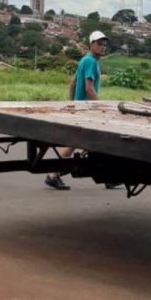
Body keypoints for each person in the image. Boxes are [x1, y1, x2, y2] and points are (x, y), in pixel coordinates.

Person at [45, 30, 109, 191]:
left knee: (81, 143)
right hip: (87, 109)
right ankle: (53, 174)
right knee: (80, 142)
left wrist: (72, 103)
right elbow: (89, 88)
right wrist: (101, 106)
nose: (102, 48)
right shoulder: (91, 62)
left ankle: (108, 177)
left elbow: (72, 83)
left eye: (104, 45)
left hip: (81, 108)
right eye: (99, 44)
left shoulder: (85, 60)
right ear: (91, 44)